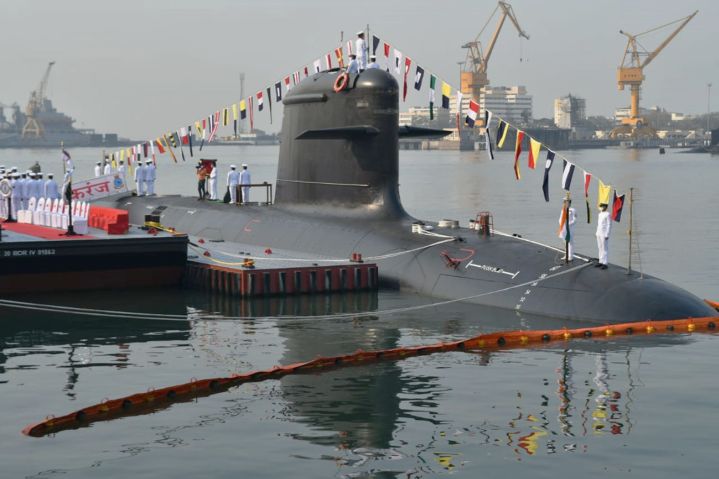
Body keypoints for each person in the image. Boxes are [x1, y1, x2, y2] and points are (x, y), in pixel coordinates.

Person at [595, 203, 611, 270]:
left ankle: (605, 263)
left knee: (604, 248)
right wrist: (596, 233)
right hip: (598, 233)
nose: (601, 207)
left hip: (604, 233)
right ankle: (601, 261)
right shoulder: (600, 214)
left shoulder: (608, 214)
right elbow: (599, 224)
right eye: (601, 206)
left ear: (606, 207)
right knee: (600, 247)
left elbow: (609, 225)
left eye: (602, 206)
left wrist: (607, 234)